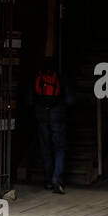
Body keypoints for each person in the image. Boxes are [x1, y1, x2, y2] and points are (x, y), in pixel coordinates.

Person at [29, 55, 72, 194]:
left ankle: (48, 180)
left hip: (41, 116)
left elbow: (29, 100)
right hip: (57, 115)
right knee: (60, 148)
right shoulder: (60, 77)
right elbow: (70, 99)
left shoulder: (38, 77)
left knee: (45, 149)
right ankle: (57, 179)